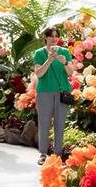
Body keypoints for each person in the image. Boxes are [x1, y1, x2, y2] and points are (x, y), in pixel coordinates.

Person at [32, 27, 74, 165]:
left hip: (62, 93)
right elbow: (39, 74)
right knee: (44, 123)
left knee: (60, 124)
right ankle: (43, 153)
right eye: (51, 36)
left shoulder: (64, 52)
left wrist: (65, 62)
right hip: (44, 92)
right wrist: (49, 60)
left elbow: (70, 72)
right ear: (45, 37)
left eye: (56, 36)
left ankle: (57, 154)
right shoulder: (39, 53)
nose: (54, 39)